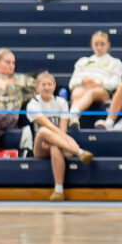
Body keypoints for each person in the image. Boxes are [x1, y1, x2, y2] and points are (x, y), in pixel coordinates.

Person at [26, 72, 94, 200]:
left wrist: (59, 139)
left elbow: (63, 126)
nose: (46, 87)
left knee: (55, 147)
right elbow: (47, 125)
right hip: (40, 145)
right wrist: (65, 139)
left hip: (57, 143)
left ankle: (58, 190)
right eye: (43, 84)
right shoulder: (33, 103)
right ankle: (79, 151)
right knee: (44, 131)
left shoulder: (61, 102)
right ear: (37, 87)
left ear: (54, 86)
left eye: (49, 84)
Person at [67, 31, 122, 129]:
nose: (99, 47)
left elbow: (117, 82)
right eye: (96, 44)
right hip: (84, 88)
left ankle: (73, 114)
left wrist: (100, 84)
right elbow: (72, 83)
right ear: (91, 45)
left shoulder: (115, 62)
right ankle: (74, 120)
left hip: (103, 91)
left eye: (102, 44)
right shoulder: (83, 61)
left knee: (93, 92)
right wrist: (82, 81)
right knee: (77, 92)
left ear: (108, 45)